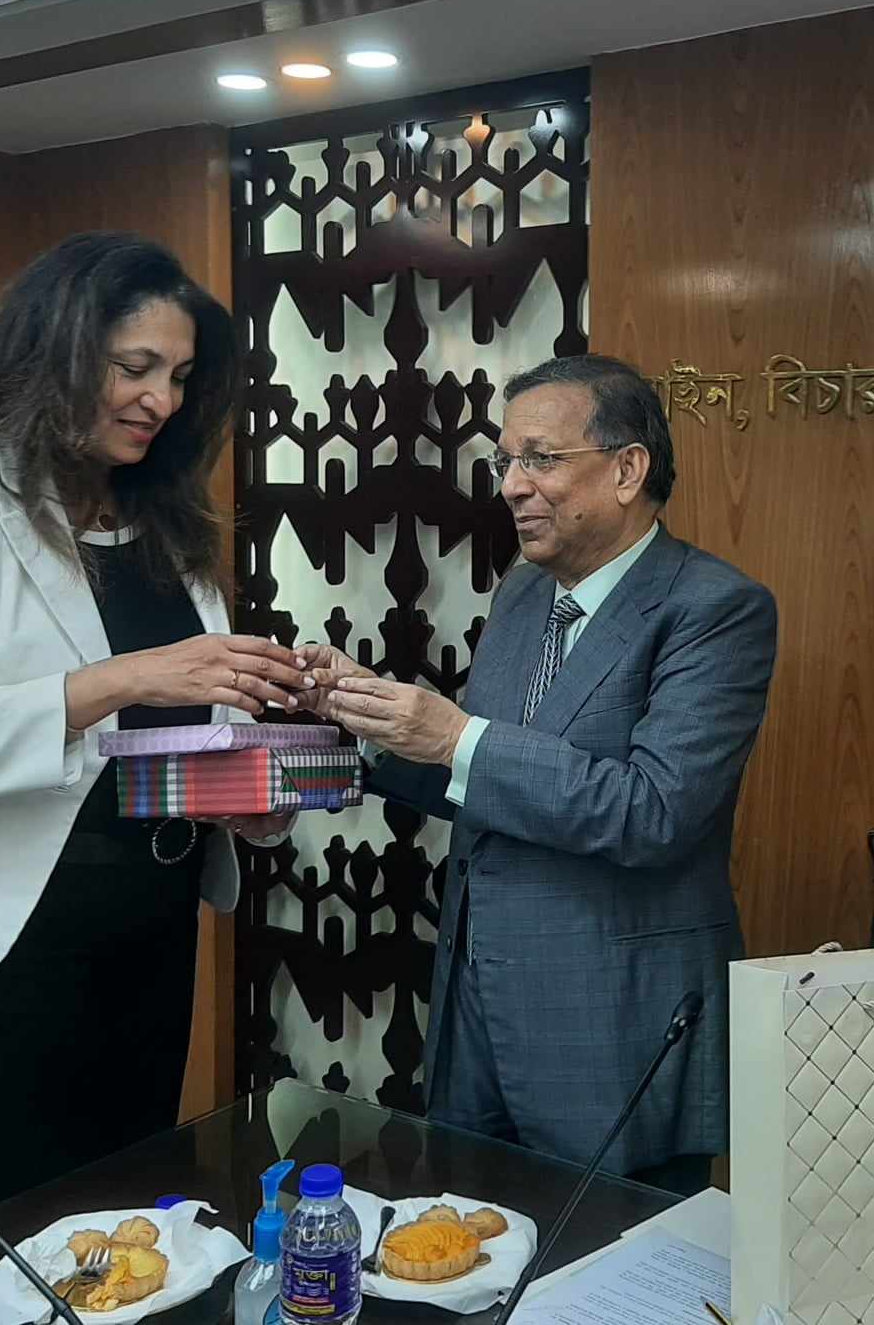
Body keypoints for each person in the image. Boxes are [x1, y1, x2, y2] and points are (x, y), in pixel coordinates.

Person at [0, 232, 311, 1217]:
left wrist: (253, 796)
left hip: (154, 914)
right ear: (56, 351)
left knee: (138, 1203)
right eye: (135, 368)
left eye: (179, 378)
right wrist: (121, 678)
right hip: (5, 932)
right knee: (28, 1220)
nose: (160, 401)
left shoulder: (161, 511)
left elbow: (163, 734)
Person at [306, 354, 776, 1196]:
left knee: (613, 1264)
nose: (513, 486)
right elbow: (488, 783)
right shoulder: (523, 595)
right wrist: (367, 719)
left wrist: (453, 735)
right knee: (473, 1249)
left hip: (616, 1029)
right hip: (477, 1018)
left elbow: (653, 812)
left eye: (541, 459)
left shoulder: (713, 609)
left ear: (628, 469)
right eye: (506, 461)